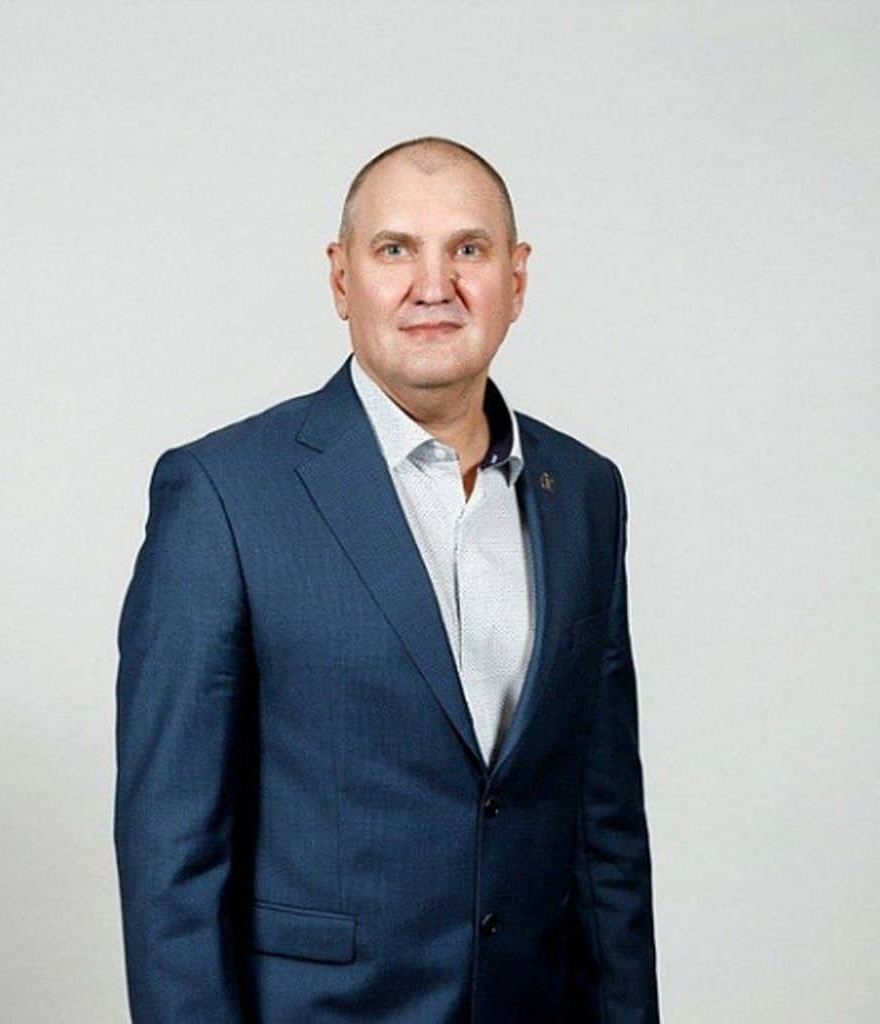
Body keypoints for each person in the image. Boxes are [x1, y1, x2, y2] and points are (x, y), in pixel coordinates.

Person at [115, 137, 659, 1023]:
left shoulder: (586, 493)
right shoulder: (222, 494)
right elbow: (169, 854)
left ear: (517, 279)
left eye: (468, 249)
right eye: (395, 249)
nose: (433, 286)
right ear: (342, 278)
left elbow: (606, 837)